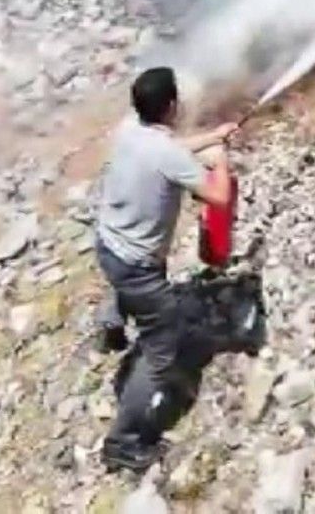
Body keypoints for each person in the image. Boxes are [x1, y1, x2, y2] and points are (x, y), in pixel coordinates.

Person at [95, 66, 238, 472]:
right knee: (161, 349)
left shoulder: (130, 129)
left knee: (124, 285)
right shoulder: (167, 154)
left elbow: (170, 150)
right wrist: (220, 160)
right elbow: (218, 197)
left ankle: (111, 326)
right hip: (138, 267)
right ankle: (122, 444)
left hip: (107, 244)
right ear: (172, 105)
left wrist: (212, 136)